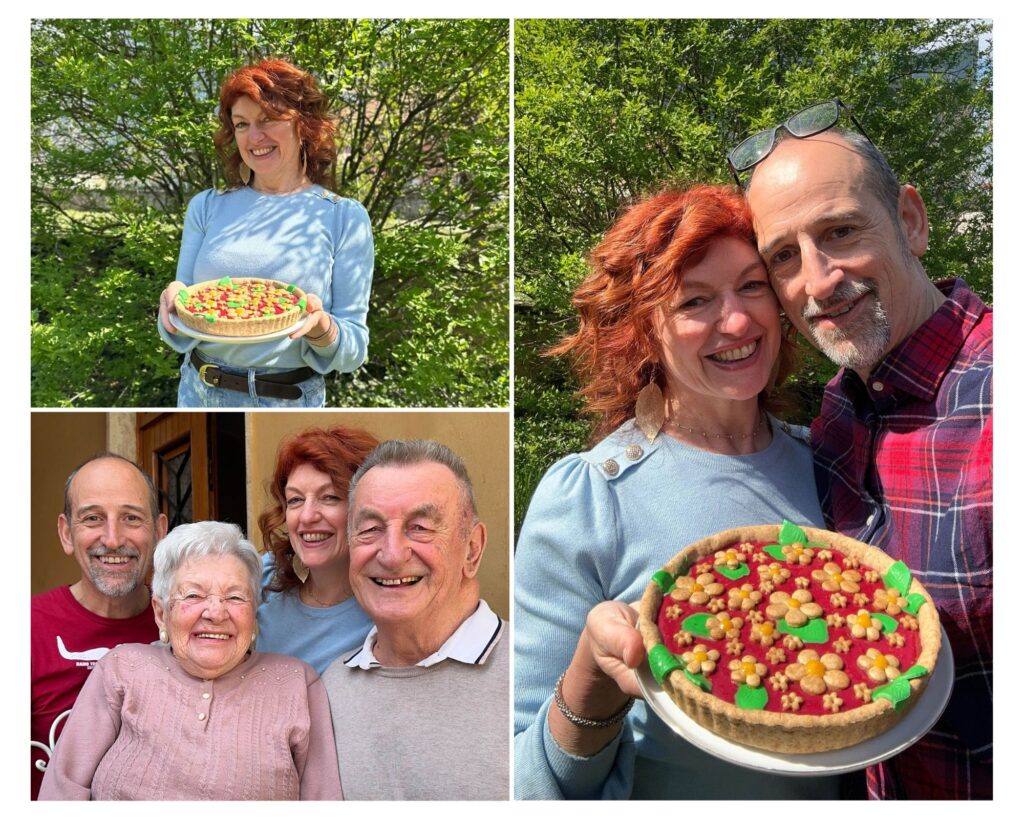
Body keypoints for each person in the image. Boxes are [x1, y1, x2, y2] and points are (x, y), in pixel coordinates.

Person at [514, 186, 839, 799]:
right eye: (695, 300)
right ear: (642, 329)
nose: (737, 321)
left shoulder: (833, 461)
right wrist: (593, 676)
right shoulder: (590, 497)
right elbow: (522, 782)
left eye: (752, 285)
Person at [739, 100, 992, 799]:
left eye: (841, 231)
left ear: (911, 219)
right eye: (784, 257)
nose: (817, 281)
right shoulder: (834, 419)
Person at [39, 521, 342, 800]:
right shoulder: (121, 669)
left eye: (235, 597)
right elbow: (62, 789)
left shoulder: (297, 683)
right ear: (161, 613)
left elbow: (324, 801)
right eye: (194, 595)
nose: (215, 612)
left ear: (254, 614)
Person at [157, 59, 374, 408]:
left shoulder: (343, 217)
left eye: (268, 120)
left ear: (303, 125)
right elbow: (180, 321)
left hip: (288, 402)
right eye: (242, 125)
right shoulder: (206, 206)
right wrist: (172, 306)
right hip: (198, 394)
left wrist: (322, 329)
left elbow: (354, 350)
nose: (254, 137)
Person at [322, 440, 508, 800]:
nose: (392, 555)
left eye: (420, 527)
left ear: (472, 549)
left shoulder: (526, 671)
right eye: (371, 529)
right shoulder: (331, 690)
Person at [30, 453, 167, 800]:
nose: (113, 537)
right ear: (66, 533)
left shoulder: (187, 630)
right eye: (93, 518)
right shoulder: (25, 628)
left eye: (131, 518)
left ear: (160, 531)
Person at [256, 425, 380, 675]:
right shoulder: (264, 577)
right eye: (295, 500)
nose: (307, 516)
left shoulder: (386, 608)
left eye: (330, 497)